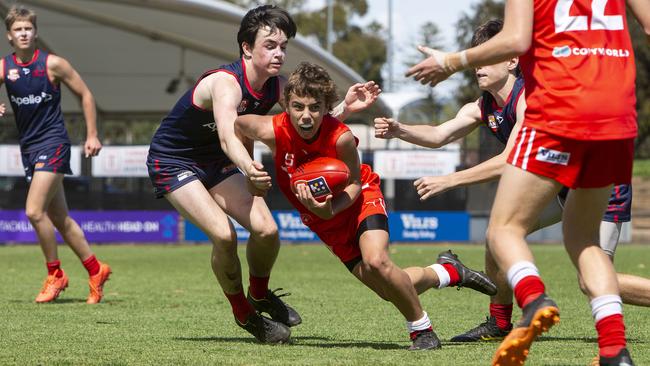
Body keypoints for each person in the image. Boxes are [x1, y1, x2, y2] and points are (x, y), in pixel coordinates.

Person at [405, 0, 650, 364]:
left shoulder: (519, 94)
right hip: (615, 109)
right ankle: (614, 352)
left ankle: (534, 298)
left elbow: (517, 38)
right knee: (583, 243)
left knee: (504, 230)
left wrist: (451, 61)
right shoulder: (482, 105)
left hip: (563, 104)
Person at [146, 5, 380, 344]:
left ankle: (259, 293)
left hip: (216, 162)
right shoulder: (225, 84)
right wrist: (249, 168)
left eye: (283, 46)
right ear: (246, 48)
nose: (279, 53)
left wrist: (344, 108)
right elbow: (229, 136)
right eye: (270, 45)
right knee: (224, 236)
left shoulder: (277, 86)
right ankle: (244, 313)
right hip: (174, 161)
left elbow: (308, 121)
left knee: (268, 231)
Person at [235, 62, 497, 350]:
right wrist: (249, 170)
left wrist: (332, 208)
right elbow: (238, 126)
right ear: (286, 105)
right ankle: (449, 271)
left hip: (359, 201)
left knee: (377, 262)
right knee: (390, 289)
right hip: (325, 223)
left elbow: (355, 183)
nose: (306, 116)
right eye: (298, 107)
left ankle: (422, 331)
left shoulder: (342, 137)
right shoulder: (270, 129)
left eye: (314, 107)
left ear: (326, 107)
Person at [0, 5, 110, 304]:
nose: (24, 33)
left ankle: (55, 274)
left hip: (54, 143)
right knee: (60, 218)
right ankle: (95, 269)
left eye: (28, 29)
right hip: (30, 148)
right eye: (18, 30)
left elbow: (86, 95)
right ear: (9, 36)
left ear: (35, 33)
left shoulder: (53, 64)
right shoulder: (4, 67)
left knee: (34, 211)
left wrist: (91, 134)